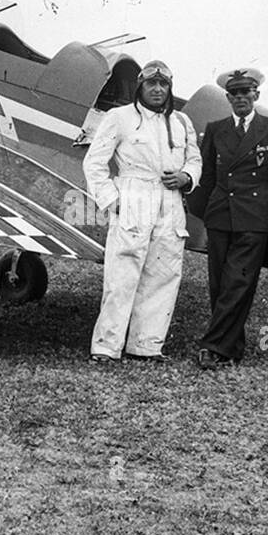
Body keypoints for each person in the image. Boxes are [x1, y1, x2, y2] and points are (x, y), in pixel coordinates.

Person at [190, 67, 268, 367]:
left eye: (246, 92)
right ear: (228, 98)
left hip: (252, 219)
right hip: (219, 217)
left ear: (256, 95)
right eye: (234, 94)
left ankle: (213, 348)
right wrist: (205, 210)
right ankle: (232, 347)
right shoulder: (216, 129)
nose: (240, 98)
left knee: (237, 284)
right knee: (219, 285)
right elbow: (205, 176)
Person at [82, 60, 202, 362]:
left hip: (171, 202)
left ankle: (146, 346)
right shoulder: (119, 117)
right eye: (152, 84)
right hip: (133, 198)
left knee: (163, 276)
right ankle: (106, 348)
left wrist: (187, 177)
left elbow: (195, 160)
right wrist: (112, 199)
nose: (158, 89)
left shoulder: (182, 122)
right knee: (121, 277)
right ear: (141, 86)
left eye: (164, 84)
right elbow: (94, 163)